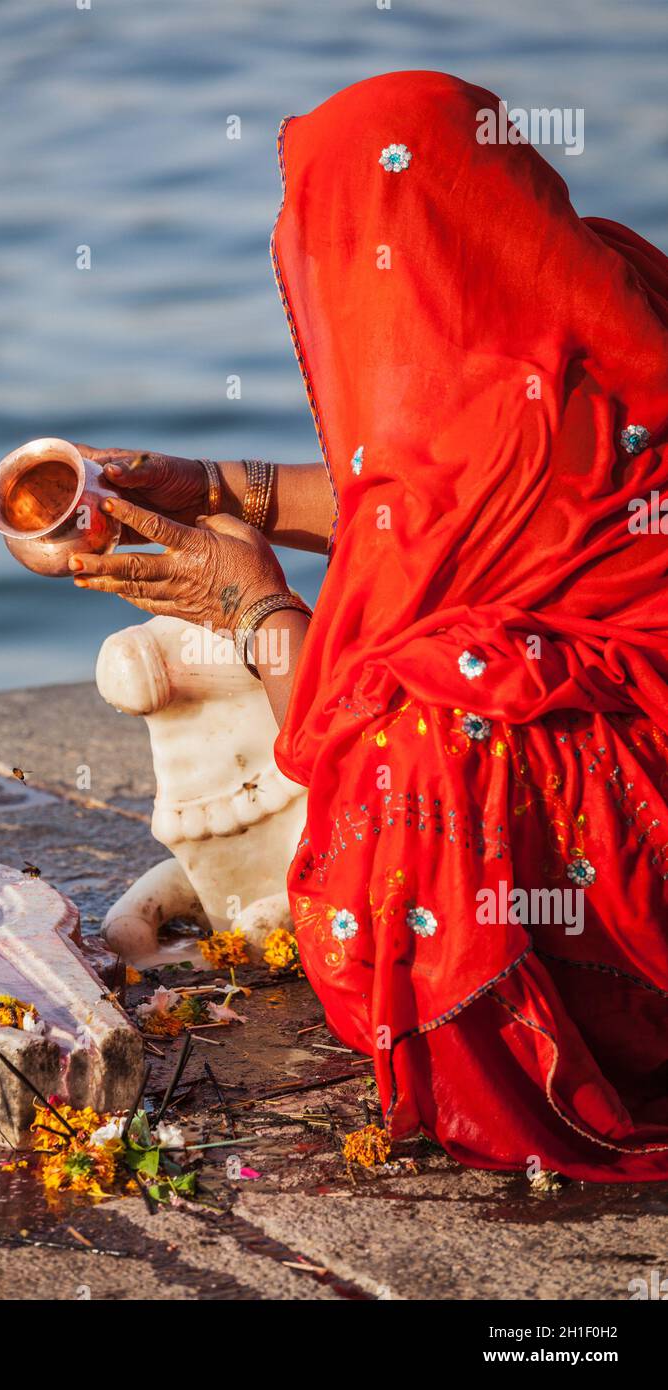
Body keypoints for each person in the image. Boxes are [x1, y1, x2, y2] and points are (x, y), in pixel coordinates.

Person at [69, 71, 668, 1181]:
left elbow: (356, 760)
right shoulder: (589, 297)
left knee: (421, 744)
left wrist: (251, 610)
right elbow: (453, 492)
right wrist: (218, 487)